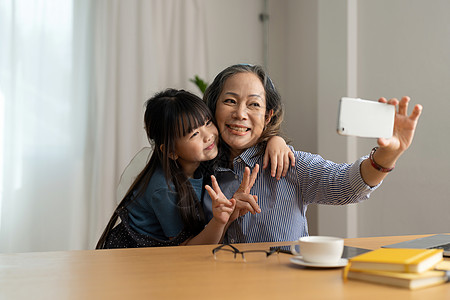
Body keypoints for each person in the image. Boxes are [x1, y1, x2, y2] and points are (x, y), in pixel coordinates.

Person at [203, 64, 423, 244]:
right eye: (230, 101)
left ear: (268, 117)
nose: (240, 114)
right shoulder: (198, 167)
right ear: (213, 107)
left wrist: (388, 154)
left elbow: (348, 184)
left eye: (254, 104)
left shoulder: (289, 163)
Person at [96, 88, 290, 249]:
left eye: (207, 123)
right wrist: (221, 220)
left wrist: (276, 140)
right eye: (194, 133)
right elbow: (189, 251)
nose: (209, 136)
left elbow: (247, 138)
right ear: (171, 151)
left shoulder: (203, 155)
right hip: (138, 259)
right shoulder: (164, 188)